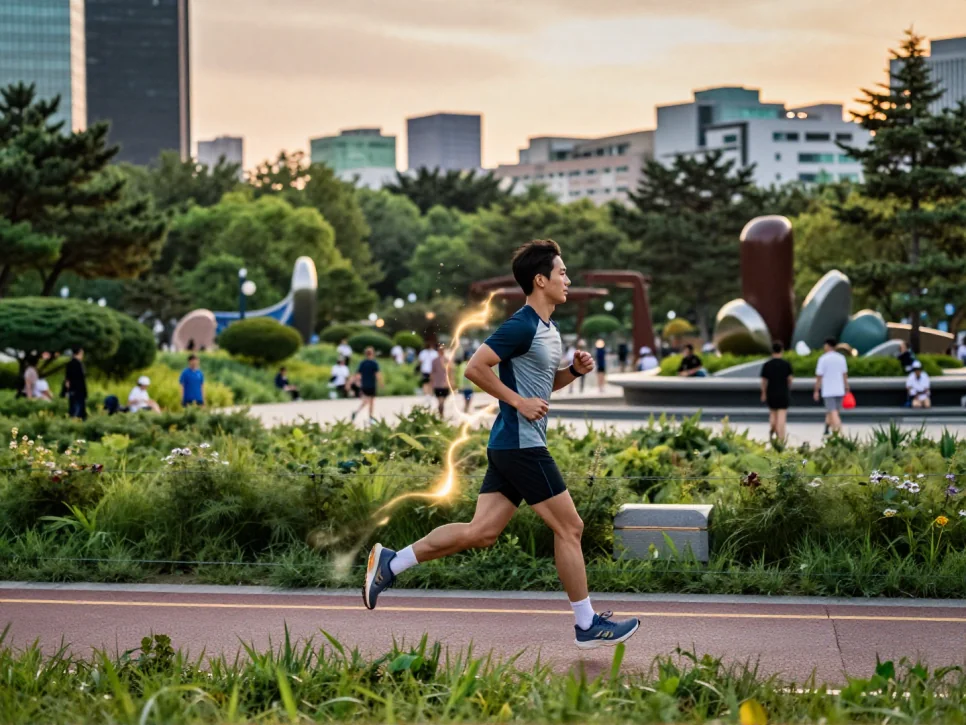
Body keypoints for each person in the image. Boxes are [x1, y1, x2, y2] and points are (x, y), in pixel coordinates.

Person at [363, 238, 640, 649]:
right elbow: (476, 368)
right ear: (540, 280)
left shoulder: (548, 329)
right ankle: (586, 624)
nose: (568, 279)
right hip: (522, 445)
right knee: (571, 527)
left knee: (482, 532)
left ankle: (392, 562)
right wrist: (516, 401)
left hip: (512, 443)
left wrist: (572, 373)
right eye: (562, 273)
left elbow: (539, 389)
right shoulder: (522, 324)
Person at [814, 338, 849, 436]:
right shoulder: (841, 358)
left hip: (828, 390)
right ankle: (827, 427)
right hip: (839, 389)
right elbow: (844, 375)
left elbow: (819, 376)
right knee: (834, 411)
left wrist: (816, 390)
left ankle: (838, 432)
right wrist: (846, 386)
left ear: (827, 346)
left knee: (833, 413)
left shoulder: (823, 359)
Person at [760, 341, 794, 442]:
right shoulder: (786, 364)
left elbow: (764, 381)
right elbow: (790, 380)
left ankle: (772, 430)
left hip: (771, 393)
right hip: (783, 393)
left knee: (773, 415)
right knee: (781, 418)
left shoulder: (767, 365)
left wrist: (763, 393)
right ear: (782, 351)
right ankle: (781, 440)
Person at [350, 347, 383, 424]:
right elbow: (377, 375)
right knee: (370, 402)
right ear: (372, 354)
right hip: (372, 385)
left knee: (367, 401)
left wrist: (356, 382)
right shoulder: (374, 363)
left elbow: (358, 375)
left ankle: (359, 413)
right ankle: (369, 417)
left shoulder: (363, 363)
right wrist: (381, 383)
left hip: (364, 385)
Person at [430, 343, 454, 417]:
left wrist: (432, 383)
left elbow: (432, 373)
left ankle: (440, 411)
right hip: (444, 384)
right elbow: (450, 372)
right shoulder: (447, 360)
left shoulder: (434, 361)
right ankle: (441, 412)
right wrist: (451, 382)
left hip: (437, 384)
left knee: (440, 400)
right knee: (442, 400)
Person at [64, 347, 88, 420]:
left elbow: (67, 380)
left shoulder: (69, 364)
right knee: (79, 411)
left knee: (72, 409)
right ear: (79, 353)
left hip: (72, 390)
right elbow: (82, 379)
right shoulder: (79, 364)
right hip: (79, 391)